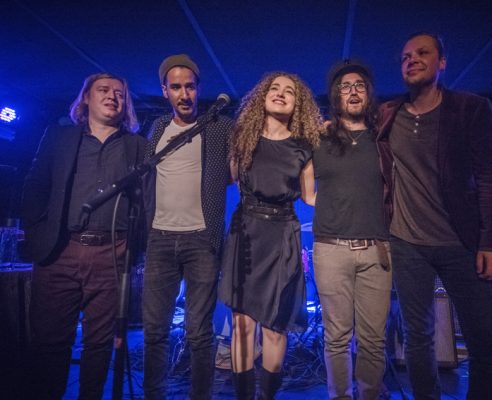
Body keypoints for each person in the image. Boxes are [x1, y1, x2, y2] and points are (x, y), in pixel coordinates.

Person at [376, 32, 492, 400]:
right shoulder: (389, 114)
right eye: (404, 56)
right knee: (418, 339)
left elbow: (490, 175)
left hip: (463, 243)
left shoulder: (470, 108)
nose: (412, 59)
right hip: (407, 243)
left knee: (486, 343)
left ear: (442, 62)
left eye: (422, 53)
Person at [21, 72, 146, 400]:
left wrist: (133, 250)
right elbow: (34, 189)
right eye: (103, 90)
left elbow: (148, 201)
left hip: (111, 254)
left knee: (100, 343)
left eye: (120, 93)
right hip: (60, 250)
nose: (112, 97)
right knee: (51, 342)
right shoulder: (59, 138)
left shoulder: (137, 146)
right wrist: (37, 237)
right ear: (86, 98)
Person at [218, 71, 322, 399]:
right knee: (242, 325)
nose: (280, 93)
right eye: (274, 88)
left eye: (288, 91)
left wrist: (352, 194)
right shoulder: (243, 139)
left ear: (298, 105)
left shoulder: (304, 147)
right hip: (245, 233)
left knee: (275, 328)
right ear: (261, 97)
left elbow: (310, 198)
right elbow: (225, 179)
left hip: (282, 238)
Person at [142, 54, 233, 400]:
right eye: (176, 87)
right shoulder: (159, 128)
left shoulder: (219, 125)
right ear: (165, 91)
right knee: (154, 331)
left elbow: (237, 166)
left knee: (199, 332)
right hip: (160, 239)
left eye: (190, 86)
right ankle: (154, 395)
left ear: (199, 89)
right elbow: (147, 177)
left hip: (201, 239)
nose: (184, 94)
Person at [306, 60, 391, 399]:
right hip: (331, 249)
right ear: (335, 97)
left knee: (373, 338)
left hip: (377, 249)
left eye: (359, 85)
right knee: (337, 337)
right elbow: (306, 192)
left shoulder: (384, 139)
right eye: (345, 86)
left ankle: (370, 394)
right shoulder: (319, 139)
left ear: (369, 94)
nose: (353, 90)